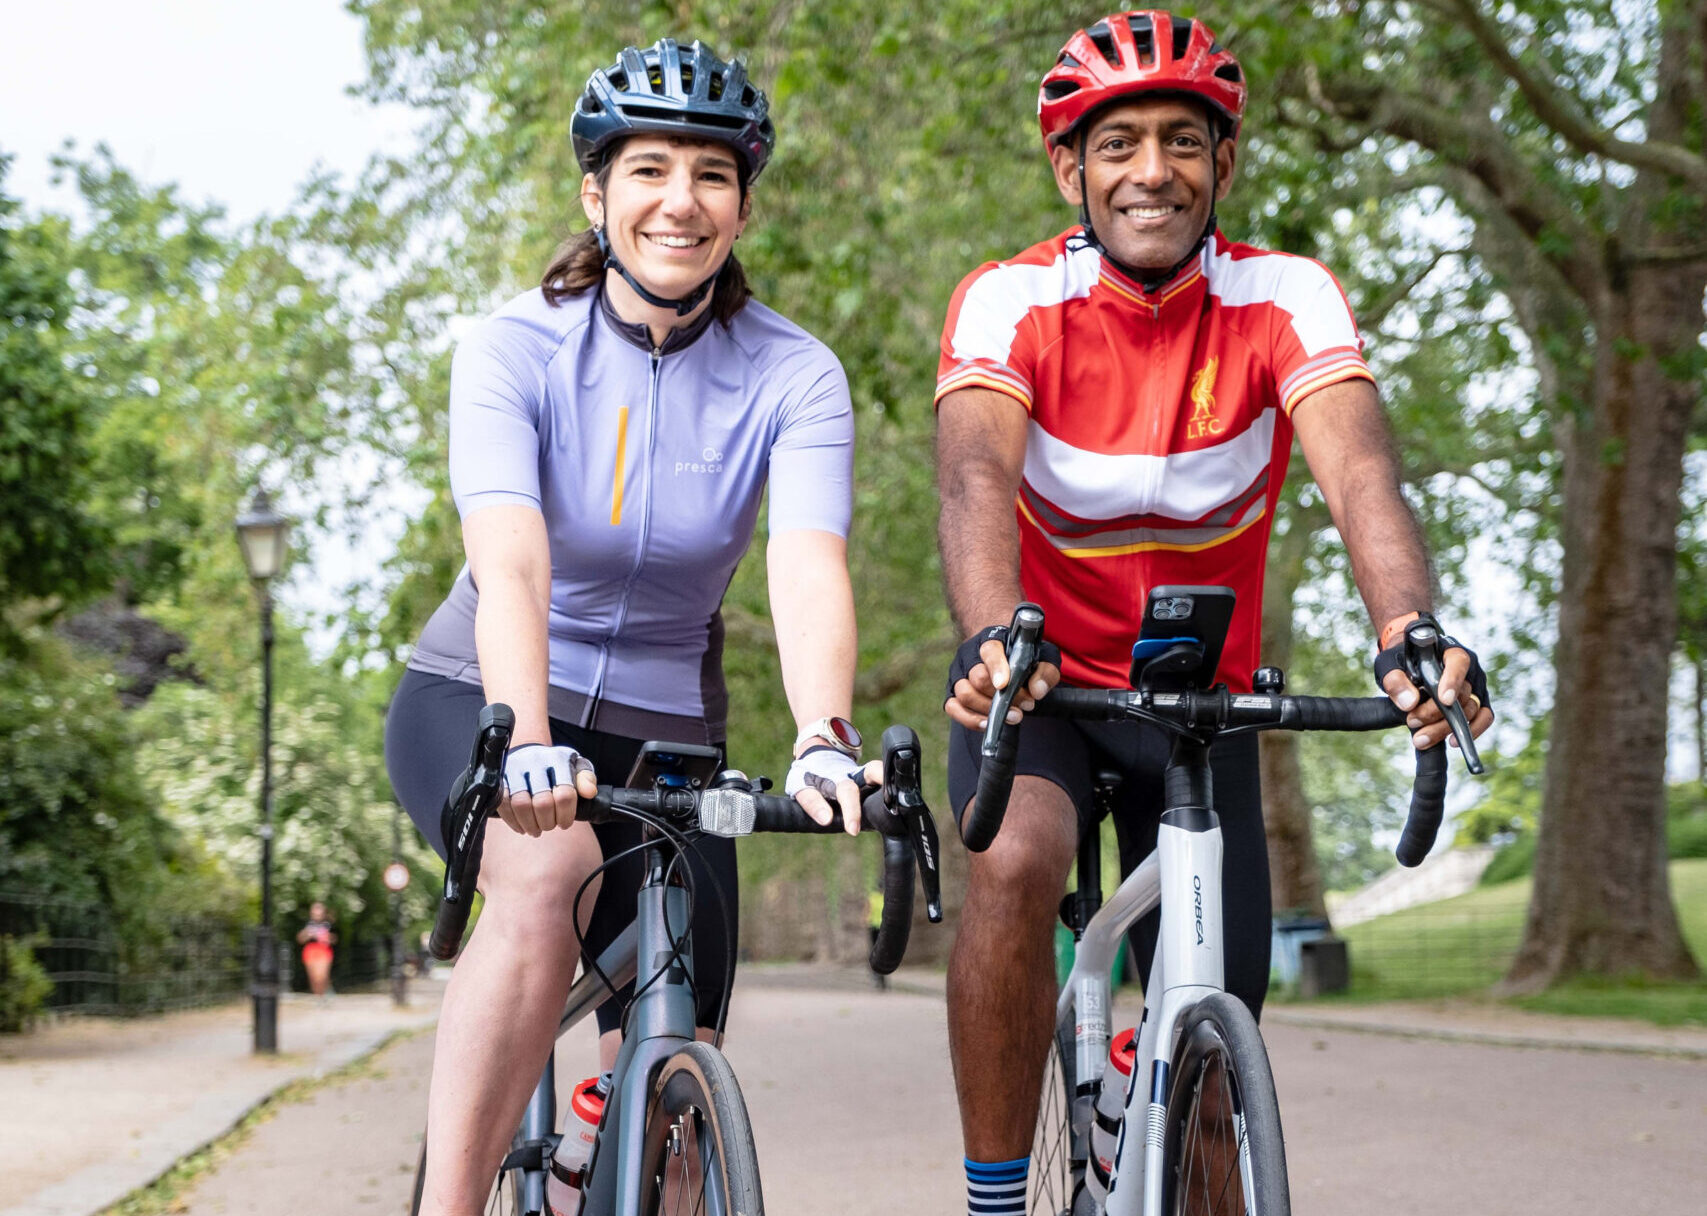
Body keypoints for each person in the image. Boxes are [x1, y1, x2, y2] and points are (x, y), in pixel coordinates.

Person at [932, 11, 1495, 1213]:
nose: (1152, 171)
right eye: (1119, 142)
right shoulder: (1005, 301)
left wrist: (1409, 629)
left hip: (1201, 702)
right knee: (1014, 864)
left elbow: (1359, 474)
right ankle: (989, 1197)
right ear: (1067, 167)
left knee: (1213, 1086)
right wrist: (992, 631)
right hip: (1047, 686)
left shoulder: (1285, 296)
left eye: (1182, 141)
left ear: (1223, 165)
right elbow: (976, 474)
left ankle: (1163, 1097)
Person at [383, 38, 875, 1215]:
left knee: (683, 1049)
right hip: (485, 693)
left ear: (743, 206)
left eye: (712, 174)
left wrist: (822, 733)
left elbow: (807, 566)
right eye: (648, 168)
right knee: (546, 866)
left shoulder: (796, 375)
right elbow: (514, 565)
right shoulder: (515, 349)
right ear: (596, 195)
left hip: (668, 732)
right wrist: (530, 734)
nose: (680, 200)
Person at [295, 901, 336, 999]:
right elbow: (299, 939)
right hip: (310, 951)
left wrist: (327, 937)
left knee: (321, 976)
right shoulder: (307, 924)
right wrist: (307, 934)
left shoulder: (328, 925)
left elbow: (334, 939)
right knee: (313, 978)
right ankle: (318, 997)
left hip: (323, 950)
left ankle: (325, 991)